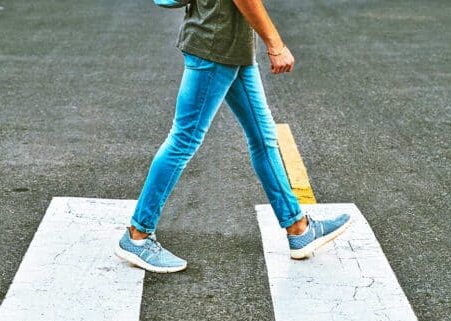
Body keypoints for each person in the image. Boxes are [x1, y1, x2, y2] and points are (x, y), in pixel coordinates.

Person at [115, 0, 352, 273]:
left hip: (234, 48)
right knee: (183, 141)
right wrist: (275, 44)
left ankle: (299, 229)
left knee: (264, 138)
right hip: (215, 48)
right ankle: (138, 234)